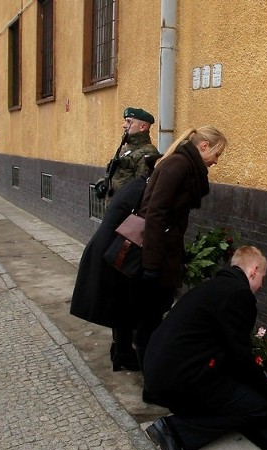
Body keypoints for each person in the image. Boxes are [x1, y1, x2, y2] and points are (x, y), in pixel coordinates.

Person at [143, 246, 267, 450]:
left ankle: (183, 417)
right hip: (179, 379)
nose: (262, 285)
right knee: (257, 407)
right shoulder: (238, 294)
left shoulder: (214, 287)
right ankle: (174, 430)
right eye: (263, 276)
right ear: (253, 271)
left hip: (158, 371)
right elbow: (239, 354)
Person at [134, 126, 227, 374]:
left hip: (163, 253)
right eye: (216, 154)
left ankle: (149, 373)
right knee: (150, 319)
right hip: (155, 256)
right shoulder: (179, 166)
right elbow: (155, 214)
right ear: (204, 146)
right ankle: (150, 380)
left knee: (154, 315)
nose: (216, 162)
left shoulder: (185, 166)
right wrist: (152, 265)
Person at [70, 174, 151, 372]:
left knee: (119, 302)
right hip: (115, 250)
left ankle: (120, 351)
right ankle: (122, 354)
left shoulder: (135, 185)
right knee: (121, 303)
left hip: (110, 247)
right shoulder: (143, 189)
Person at [103, 107, 161, 208]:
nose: (124, 125)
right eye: (125, 121)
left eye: (129, 122)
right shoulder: (126, 148)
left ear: (142, 127)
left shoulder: (147, 152)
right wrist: (103, 184)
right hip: (115, 207)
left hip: (126, 211)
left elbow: (142, 189)